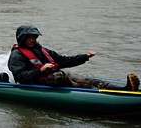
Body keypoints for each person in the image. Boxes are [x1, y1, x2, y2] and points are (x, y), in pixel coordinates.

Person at [8, 24, 140, 91]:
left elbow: (63, 60)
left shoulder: (41, 50)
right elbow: (20, 76)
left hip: (55, 77)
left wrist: (84, 57)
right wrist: (40, 70)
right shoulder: (17, 55)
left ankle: (125, 89)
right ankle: (86, 89)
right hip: (35, 82)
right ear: (22, 38)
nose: (32, 40)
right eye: (29, 37)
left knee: (86, 79)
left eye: (34, 37)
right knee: (59, 77)